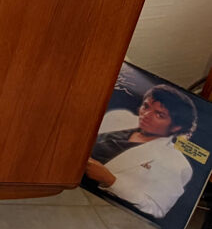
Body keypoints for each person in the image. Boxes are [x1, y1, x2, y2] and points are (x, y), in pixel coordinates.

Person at [84, 85, 200, 219]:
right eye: (146, 106)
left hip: (98, 204)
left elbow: (156, 209)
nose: (146, 115)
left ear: (176, 127)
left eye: (159, 114)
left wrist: (111, 181)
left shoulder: (178, 164)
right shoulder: (119, 117)